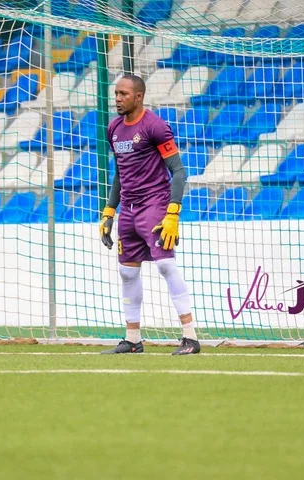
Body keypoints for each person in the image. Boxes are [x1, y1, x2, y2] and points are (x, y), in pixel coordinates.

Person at [99, 74, 201, 356]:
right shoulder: (114, 129)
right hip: (128, 211)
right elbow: (121, 171)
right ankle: (133, 340)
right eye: (116, 93)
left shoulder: (155, 126)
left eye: (123, 94)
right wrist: (110, 210)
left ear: (139, 96)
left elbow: (179, 171)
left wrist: (173, 213)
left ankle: (190, 338)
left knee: (166, 266)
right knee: (126, 271)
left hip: (155, 206)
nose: (117, 99)